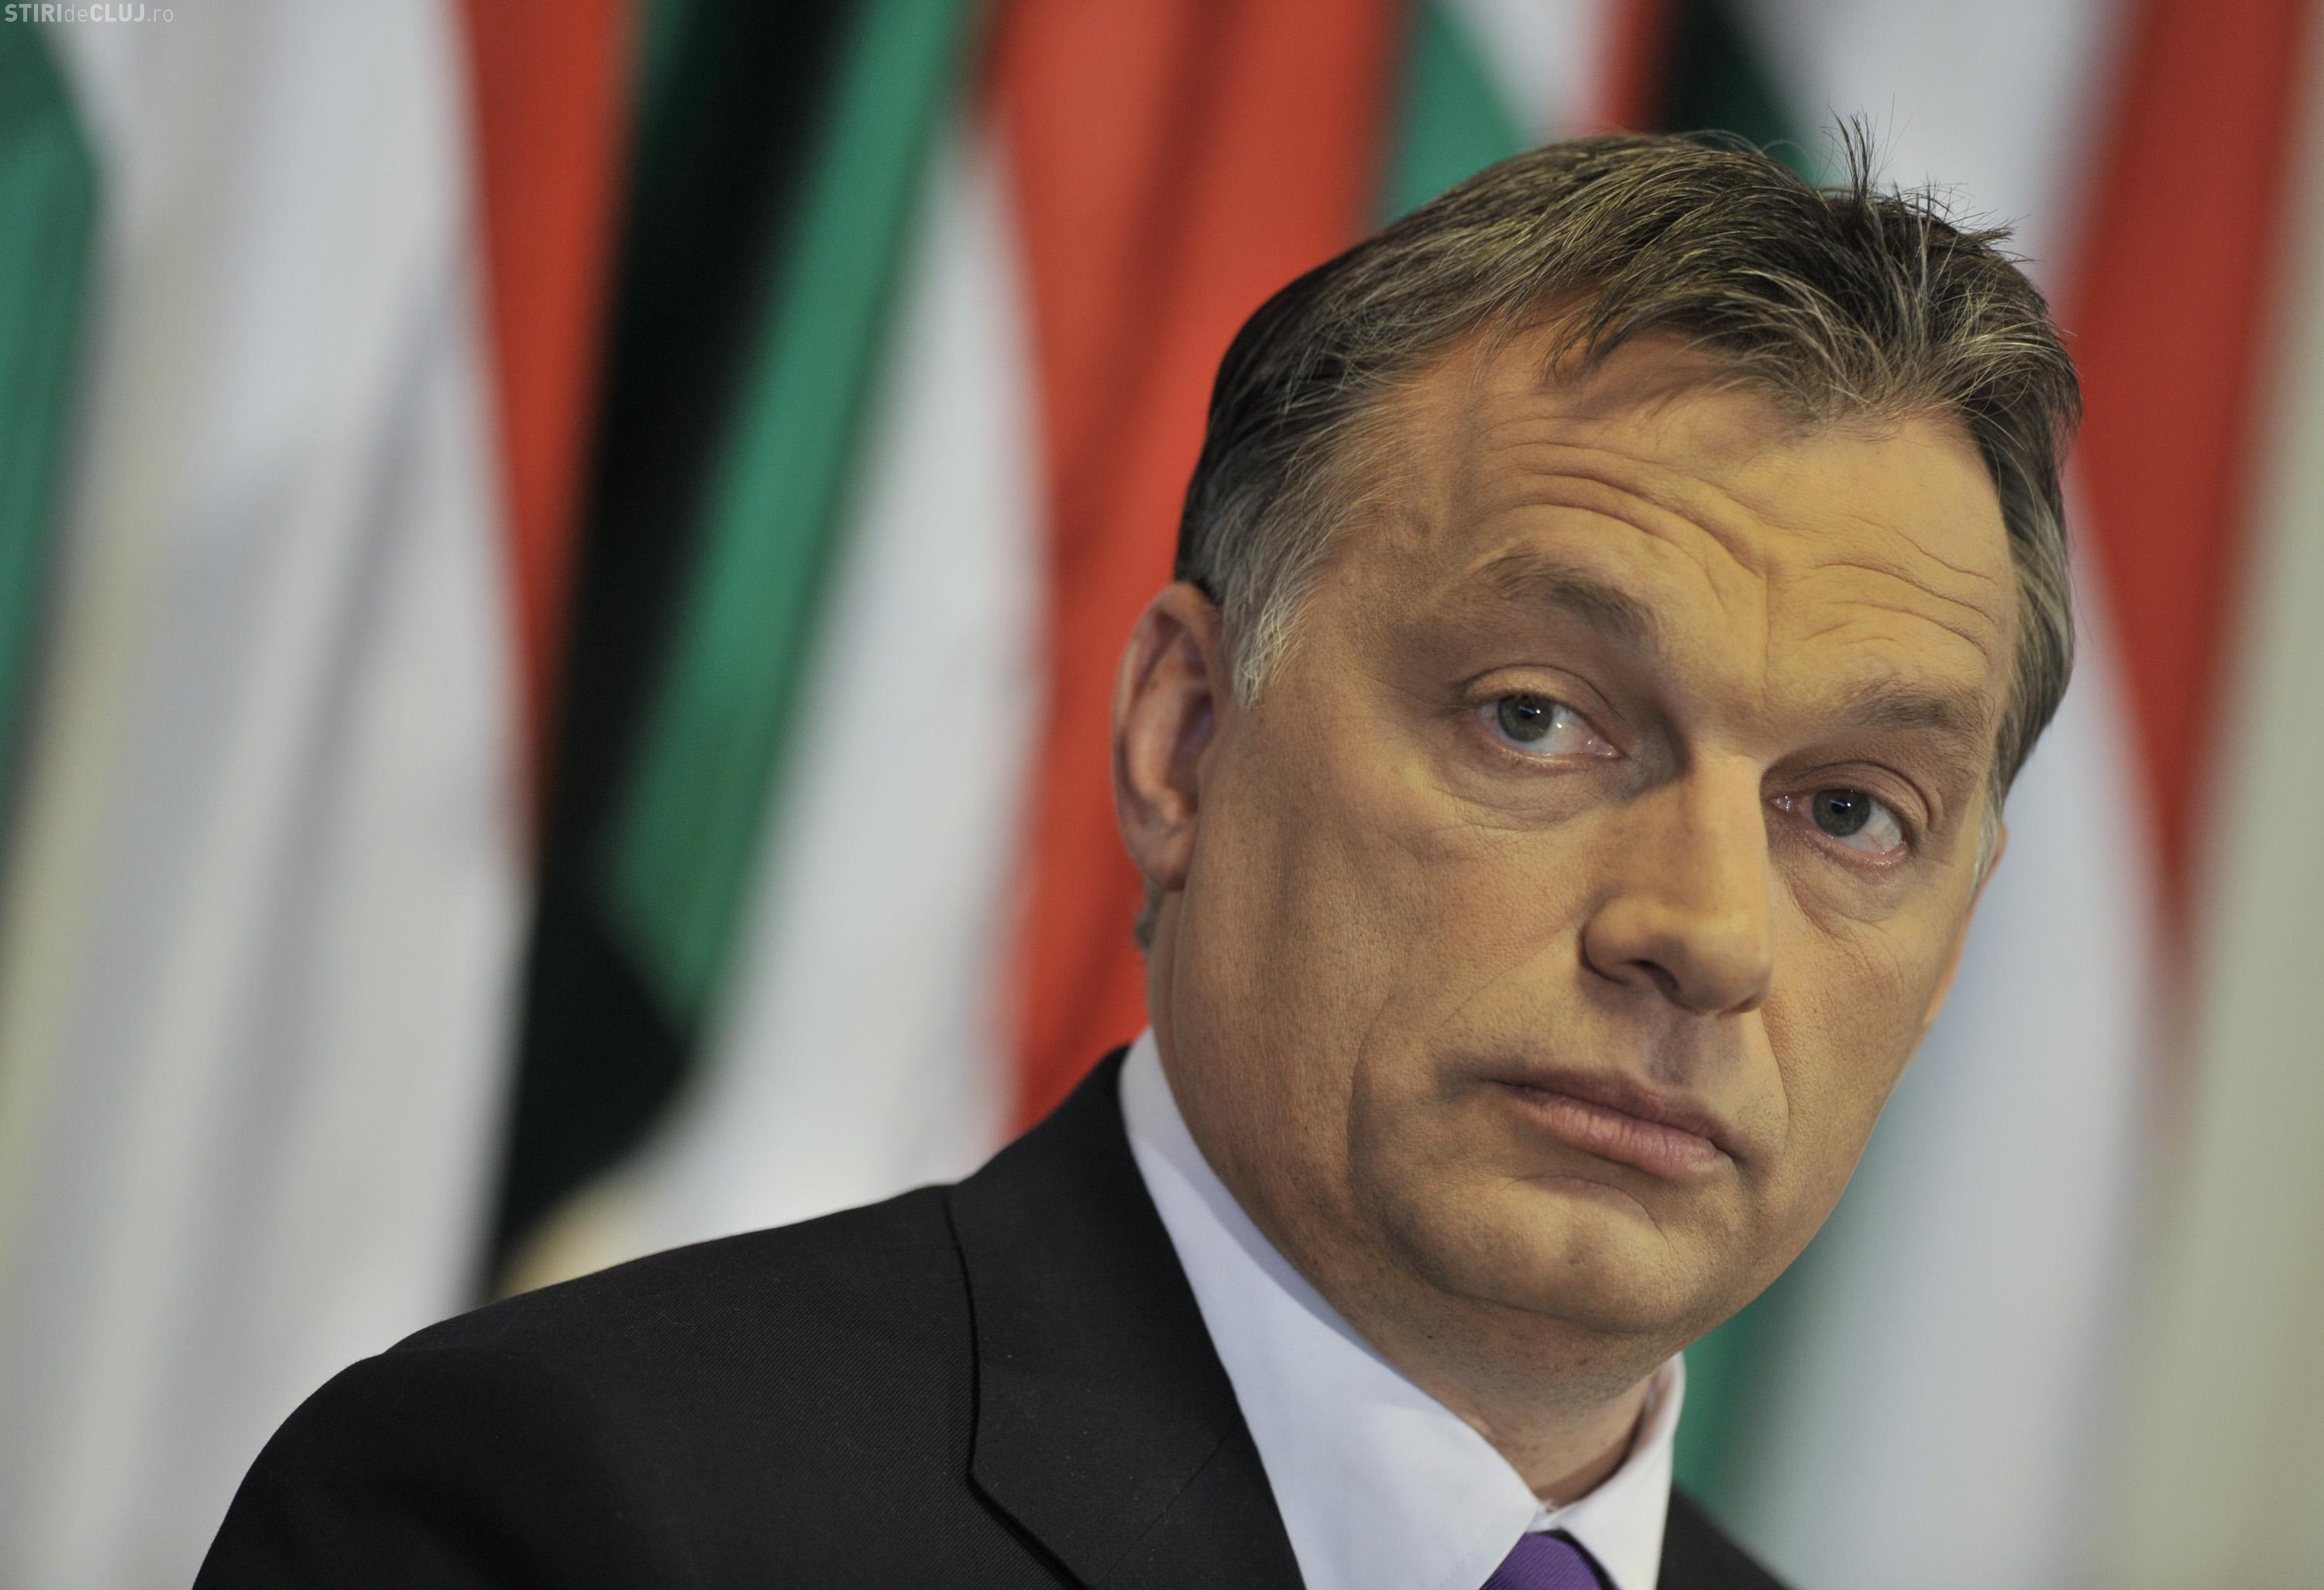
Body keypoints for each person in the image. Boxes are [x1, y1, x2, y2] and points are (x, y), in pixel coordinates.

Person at [195, 131, 2079, 1590]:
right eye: (1535, 716)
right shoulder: (582, 1520)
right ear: (1184, 741)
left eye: (1852, 812)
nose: (1705, 932)